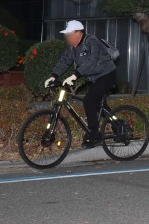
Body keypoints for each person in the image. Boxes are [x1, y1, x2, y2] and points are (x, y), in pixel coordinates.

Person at [44, 20, 117, 148]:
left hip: (107, 74)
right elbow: (65, 61)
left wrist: (75, 75)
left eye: (69, 34)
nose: (67, 37)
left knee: (89, 101)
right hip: (94, 78)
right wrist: (53, 76)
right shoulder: (72, 46)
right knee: (99, 105)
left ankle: (94, 134)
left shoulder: (91, 41)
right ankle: (118, 125)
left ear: (78, 33)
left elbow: (91, 61)